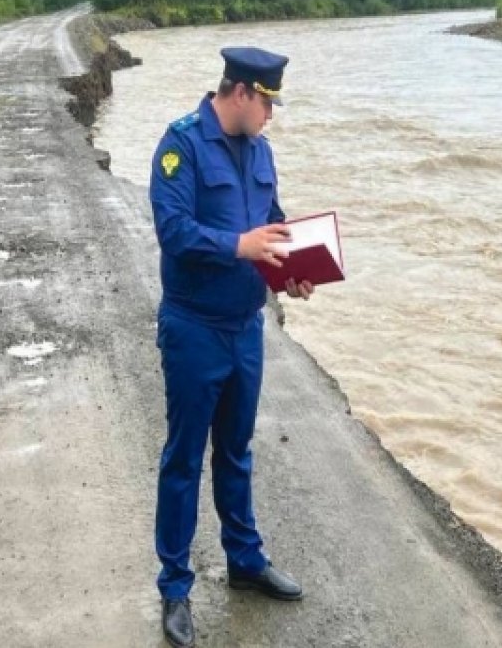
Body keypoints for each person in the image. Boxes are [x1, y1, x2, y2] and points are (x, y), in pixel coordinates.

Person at [149, 47, 315, 647]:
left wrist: (289, 270)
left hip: (246, 326)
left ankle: (244, 561)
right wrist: (237, 246)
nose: (271, 115)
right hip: (194, 327)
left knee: (237, 451)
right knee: (184, 458)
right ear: (241, 92)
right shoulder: (182, 144)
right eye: (267, 103)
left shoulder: (260, 150)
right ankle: (174, 588)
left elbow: (271, 222)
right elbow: (172, 230)